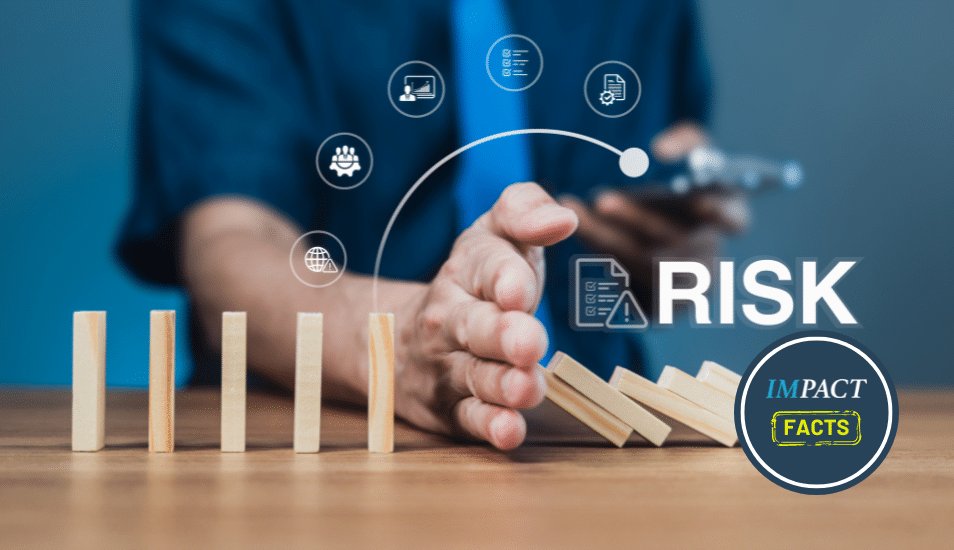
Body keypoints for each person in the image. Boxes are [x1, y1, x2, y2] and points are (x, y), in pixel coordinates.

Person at [119, 0, 748, 450]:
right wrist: (396, 351)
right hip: (319, 443)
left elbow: (655, 268)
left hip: (595, 440)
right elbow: (231, 240)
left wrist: (676, 254)